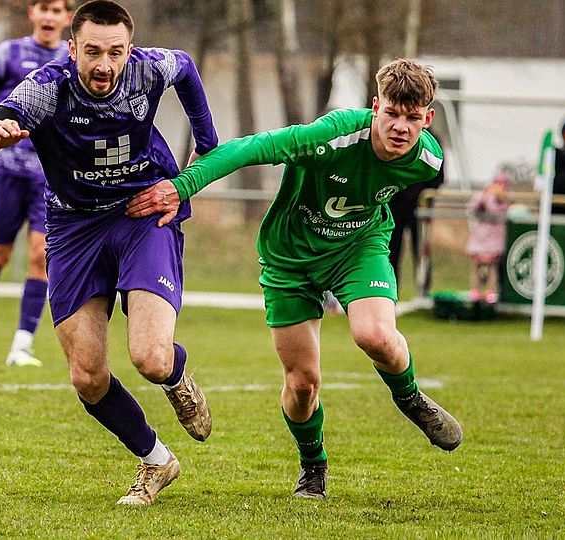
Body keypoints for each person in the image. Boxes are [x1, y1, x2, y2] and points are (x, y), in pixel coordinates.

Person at [127, 58, 463, 500]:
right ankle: (313, 467)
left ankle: (411, 398)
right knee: (303, 383)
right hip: (290, 258)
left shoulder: (428, 159)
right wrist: (183, 186)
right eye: (391, 115)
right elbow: (252, 147)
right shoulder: (334, 135)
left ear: (428, 118)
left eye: (412, 118)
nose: (400, 127)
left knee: (375, 336)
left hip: (356, 249)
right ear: (375, 106)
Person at [0, 0, 217, 506]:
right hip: (74, 226)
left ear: (129, 50)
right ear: (72, 48)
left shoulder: (147, 69)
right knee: (87, 375)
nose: (104, 65)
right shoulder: (47, 88)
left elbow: (185, 66)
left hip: (142, 212)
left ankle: (176, 376)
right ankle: (157, 461)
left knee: (150, 357)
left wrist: (204, 147)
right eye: (92, 52)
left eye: (115, 53)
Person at [0, 0, 74, 367]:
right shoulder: (9, 52)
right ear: (32, 13)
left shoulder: (73, 62)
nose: (50, 16)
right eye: (44, 8)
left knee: (41, 256)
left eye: (58, 10)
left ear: (67, 19)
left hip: (49, 175)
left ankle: (22, 344)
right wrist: (15, 110)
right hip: (9, 170)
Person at [387, 131, 444, 289]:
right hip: (395, 206)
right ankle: (390, 289)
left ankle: (424, 290)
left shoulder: (433, 142)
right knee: (391, 251)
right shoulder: (396, 138)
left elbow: (438, 177)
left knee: (422, 249)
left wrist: (422, 196)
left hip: (420, 207)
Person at [465, 171, 510, 303]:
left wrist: (491, 198)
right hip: (480, 236)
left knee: (492, 267)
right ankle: (475, 291)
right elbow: (473, 208)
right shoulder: (482, 195)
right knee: (477, 266)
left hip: (494, 238)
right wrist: (484, 196)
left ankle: (491, 291)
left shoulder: (504, 200)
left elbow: (494, 211)